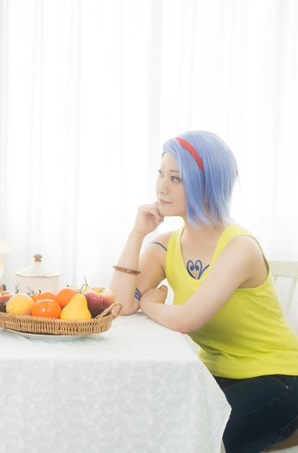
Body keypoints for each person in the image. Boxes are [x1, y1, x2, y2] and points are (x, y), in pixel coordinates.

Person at [110, 130, 298, 452]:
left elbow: (187, 320)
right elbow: (119, 305)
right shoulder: (165, 246)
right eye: (160, 173)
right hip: (216, 374)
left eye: (176, 178)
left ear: (206, 185)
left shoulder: (239, 247)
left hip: (280, 378)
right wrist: (137, 233)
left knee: (191, 433)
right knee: (151, 419)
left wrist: (152, 305)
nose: (161, 186)